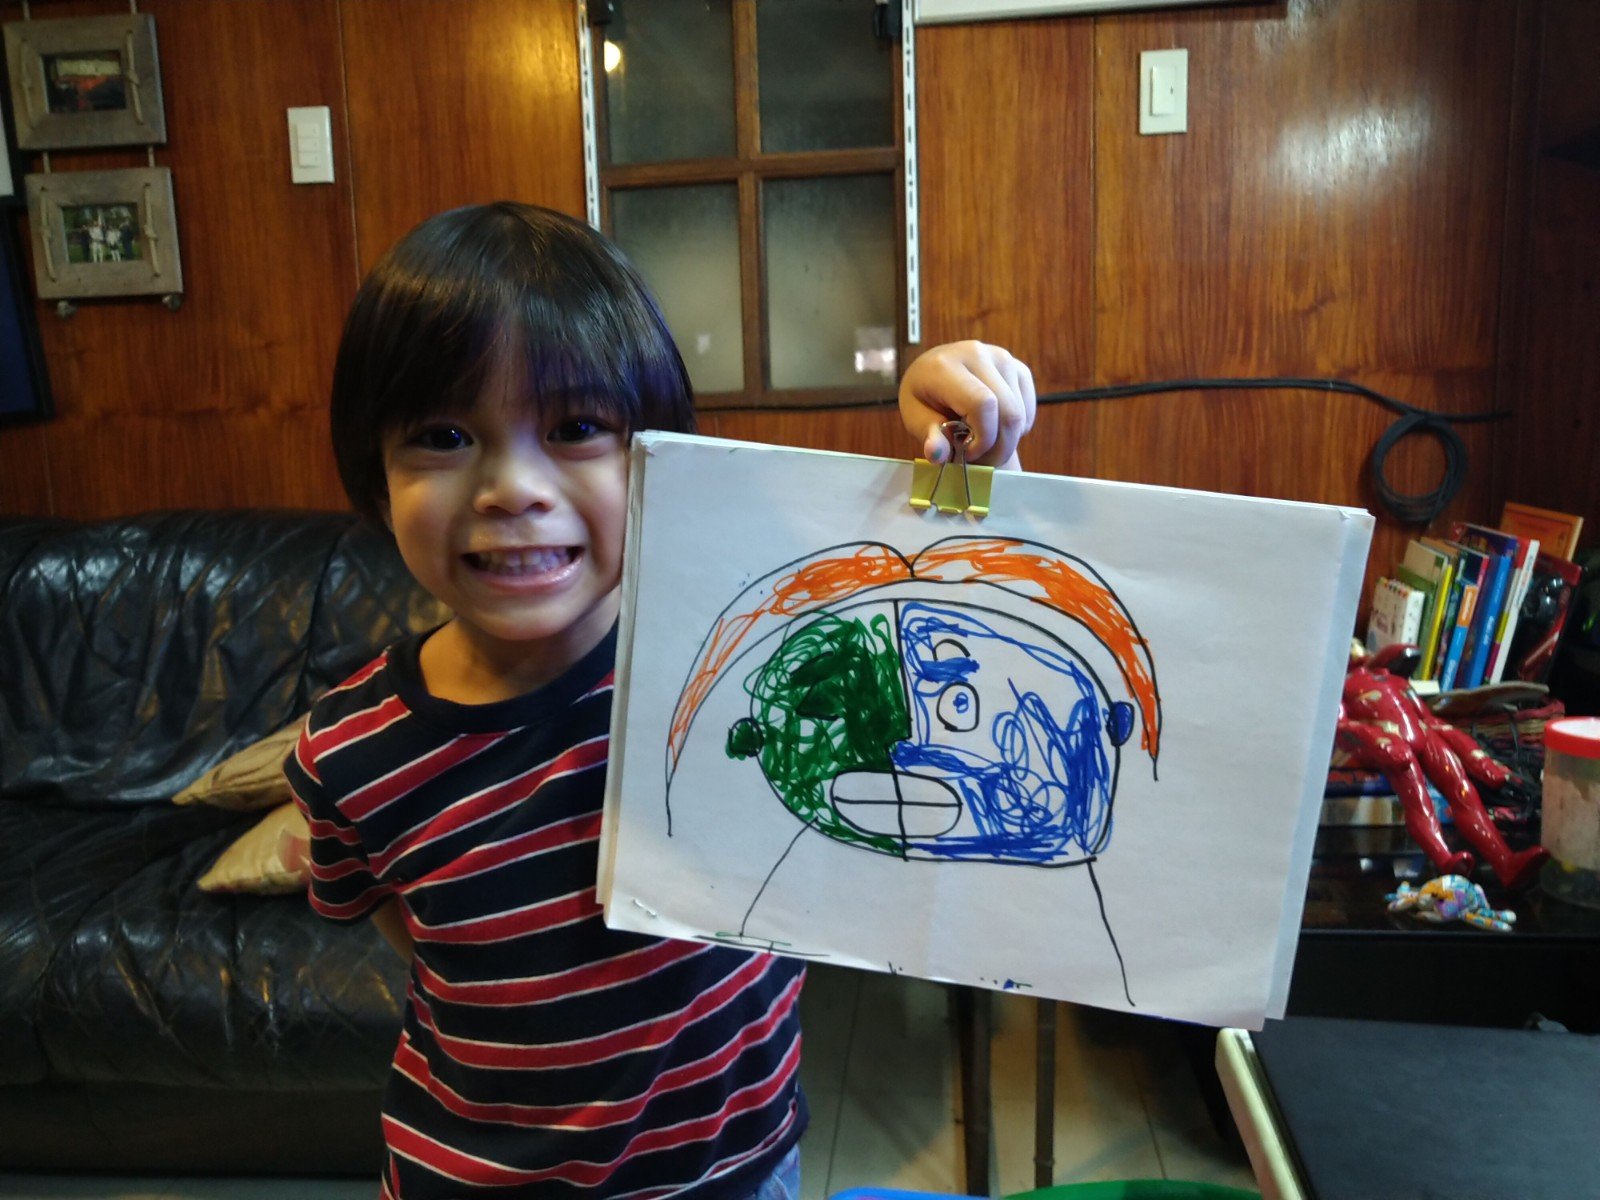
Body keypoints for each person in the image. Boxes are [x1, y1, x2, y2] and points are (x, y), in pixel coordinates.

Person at [285, 200, 1036, 1200]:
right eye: (444, 434)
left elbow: (949, 621)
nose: (514, 487)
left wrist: (973, 447)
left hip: (734, 1170)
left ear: (657, 458)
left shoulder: (741, 659)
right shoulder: (348, 752)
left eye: (575, 428)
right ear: (376, 480)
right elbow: (424, 945)